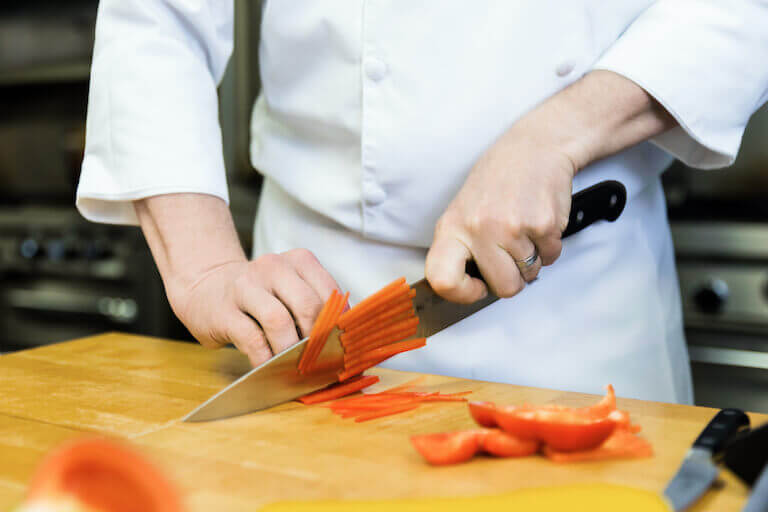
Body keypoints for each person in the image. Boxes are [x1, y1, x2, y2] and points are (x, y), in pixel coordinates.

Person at [76, 1, 768, 404]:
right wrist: (201, 265)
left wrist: (557, 137)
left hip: (579, 304)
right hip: (320, 309)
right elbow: (155, 17)